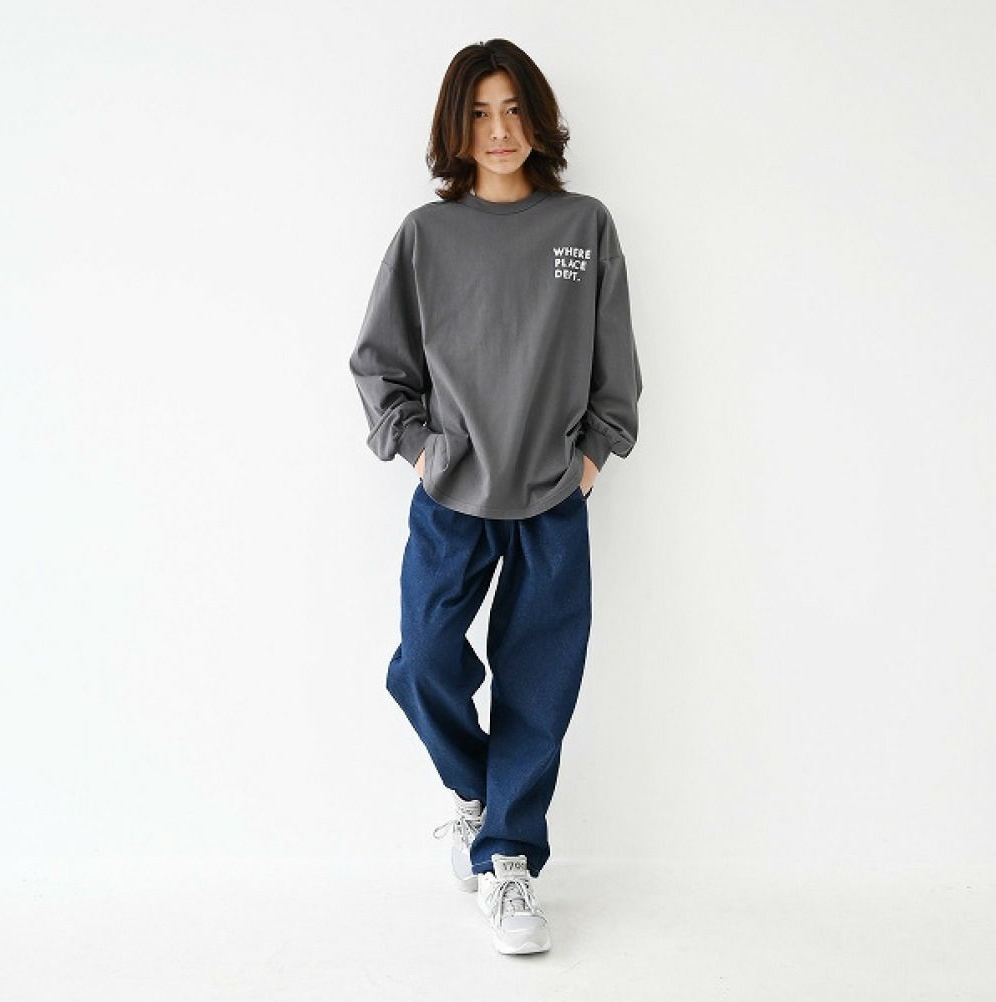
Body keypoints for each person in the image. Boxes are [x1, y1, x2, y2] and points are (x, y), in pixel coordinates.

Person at [348, 38, 643, 955]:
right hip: (452, 497)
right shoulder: (425, 236)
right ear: (456, 126)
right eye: (480, 113)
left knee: (539, 686)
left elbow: (616, 370)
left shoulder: (583, 226)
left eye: (514, 108)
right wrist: (421, 452)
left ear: (538, 118)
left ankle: (509, 860)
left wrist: (592, 459)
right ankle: (479, 796)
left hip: (553, 497)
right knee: (423, 658)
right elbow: (379, 367)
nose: (500, 129)